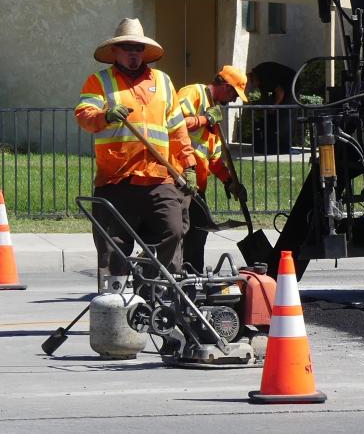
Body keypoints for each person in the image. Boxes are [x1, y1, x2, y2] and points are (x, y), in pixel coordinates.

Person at [75, 18, 197, 290]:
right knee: (113, 248)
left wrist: (188, 165)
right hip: (116, 180)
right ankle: (113, 307)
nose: (133, 53)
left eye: (138, 48)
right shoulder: (99, 82)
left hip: (158, 179)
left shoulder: (163, 83)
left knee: (173, 231)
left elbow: (177, 131)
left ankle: (154, 290)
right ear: (115, 51)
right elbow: (84, 116)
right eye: (127, 47)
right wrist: (105, 115)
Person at [174, 66, 250, 273]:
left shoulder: (214, 115)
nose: (234, 100)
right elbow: (174, 124)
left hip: (196, 188)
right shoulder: (194, 93)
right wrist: (205, 119)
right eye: (234, 93)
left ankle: (192, 276)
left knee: (199, 231)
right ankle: (173, 275)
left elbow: (214, 159)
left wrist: (230, 182)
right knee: (176, 232)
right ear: (225, 86)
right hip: (177, 181)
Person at [247, 60, 296, 154]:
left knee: (286, 113)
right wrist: (265, 109)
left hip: (292, 83)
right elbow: (264, 96)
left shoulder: (265, 76)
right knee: (272, 112)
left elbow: (280, 92)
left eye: (253, 85)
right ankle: (273, 144)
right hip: (280, 86)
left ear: (254, 78)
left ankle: (285, 147)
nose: (255, 87)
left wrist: (274, 106)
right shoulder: (259, 80)